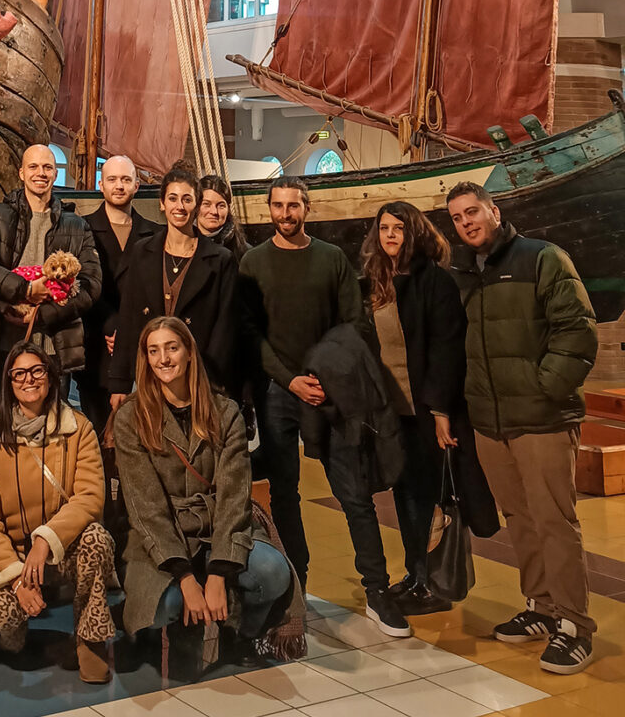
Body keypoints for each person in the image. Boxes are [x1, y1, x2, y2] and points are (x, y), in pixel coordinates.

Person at [237, 176, 410, 637]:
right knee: (285, 495)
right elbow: (250, 334)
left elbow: (352, 324)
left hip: (330, 390)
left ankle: (377, 590)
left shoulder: (331, 259)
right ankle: (297, 587)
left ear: (307, 208)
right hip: (281, 392)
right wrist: (289, 380)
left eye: (294, 205)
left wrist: (324, 378)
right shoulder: (253, 262)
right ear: (268, 209)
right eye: (278, 205)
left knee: (353, 493)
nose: (286, 213)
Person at [448, 181, 599, 674]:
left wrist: (546, 387)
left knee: (555, 520)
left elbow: (577, 329)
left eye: (473, 212)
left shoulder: (542, 258)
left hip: (541, 418)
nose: (466, 222)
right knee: (520, 517)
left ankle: (574, 625)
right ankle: (541, 606)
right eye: (457, 217)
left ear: (494, 211)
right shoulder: (463, 272)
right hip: (491, 422)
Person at [113, 317, 294, 647]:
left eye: (172, 348)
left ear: (189, 353)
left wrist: (218, 572)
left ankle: (240, 634)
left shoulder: (225, 413)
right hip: (161, 533)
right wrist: (185, 577)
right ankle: (164, 634)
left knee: (272, 573)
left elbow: (233, 496)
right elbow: (145, 507)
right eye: (154, 351)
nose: (164, 359)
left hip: (217, 528)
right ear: (146, 359)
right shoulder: (130, 417)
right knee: (165, 603)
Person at [359, 201, 499, 614]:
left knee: (435, 497)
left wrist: (440, 410)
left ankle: (435, 583)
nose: (390, 235)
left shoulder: (434, 280)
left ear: (415, 233)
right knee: (406, 496)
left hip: (426, 412)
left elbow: (446, 347)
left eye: (398, 228)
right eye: (384, 228)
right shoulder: (374, 281)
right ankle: (415, 575)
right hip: (391, 413)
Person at [0, 343, 116, 684]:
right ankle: (14, 632)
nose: (28, 379)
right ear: (8, 382)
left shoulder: (78, 429)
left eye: (37, 371)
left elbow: (90, 497)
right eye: (18, 373)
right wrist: (18, 576)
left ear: (50, 378)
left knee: (97, 538)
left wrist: (45, 541)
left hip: (60, 548)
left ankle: (90, 639)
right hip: (16, 557)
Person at [0, 144, 101, 415]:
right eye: (34, 167)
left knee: (52, 427)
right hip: (6, 342)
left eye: (47, 167)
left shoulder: (76, 225)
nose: (41, 173)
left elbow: (91, 284)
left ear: (55, 174)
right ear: (21, 173)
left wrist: (42, 315)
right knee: (2, 421)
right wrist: (24, 290)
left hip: (57, 346)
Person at [108, 165, 237, 406]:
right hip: (149, 373)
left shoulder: (220, 260)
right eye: (173, 198)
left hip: (197, 377)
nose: (179, 206)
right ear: (162, 203)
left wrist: (211, 383)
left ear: (196, 206)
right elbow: (128, 317)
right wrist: (119, 382)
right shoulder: (142, 252)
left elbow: (225, 328)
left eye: (187, 199)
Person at [78, 156, 156, 429]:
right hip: (97, 348)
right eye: (112, 179)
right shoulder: (81, 229)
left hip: (143, 350)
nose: (119, 186)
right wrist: (110, 324)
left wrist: (130, 329)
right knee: (97, 434)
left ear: (136, 185)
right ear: (101, 185)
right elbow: (79, 285)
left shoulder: (155, 234)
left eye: (125, 179)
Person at [196, 174, 250, 262]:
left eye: (221, 206)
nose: (214, 212)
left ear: (228, 208)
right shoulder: (182, 246)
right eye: (206, 204)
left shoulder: (244, 253)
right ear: (196, 206)